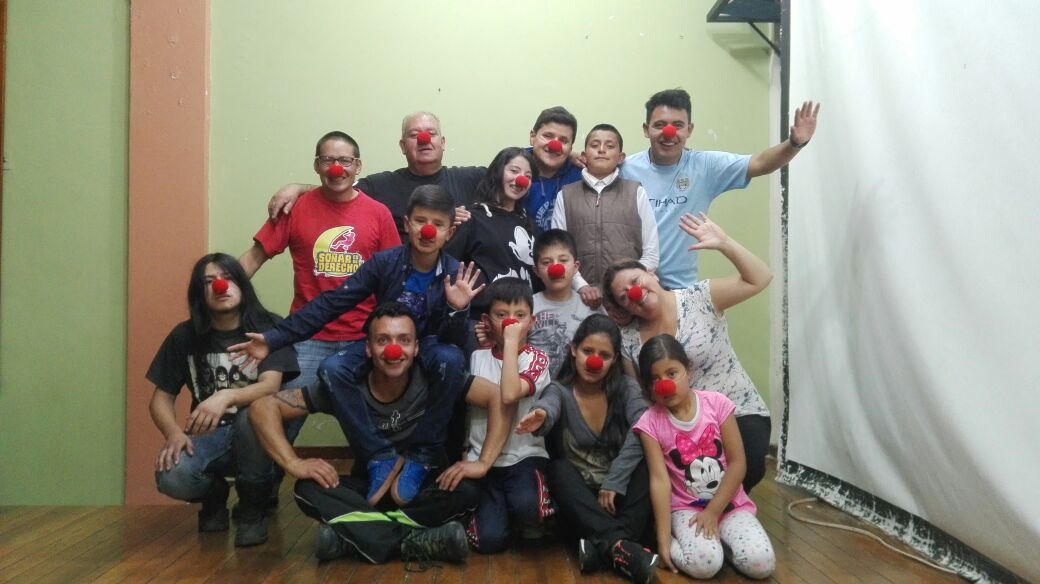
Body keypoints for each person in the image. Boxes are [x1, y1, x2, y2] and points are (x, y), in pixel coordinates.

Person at [231, 185, 484, 480]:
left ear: (449, 233)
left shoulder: (456, 274)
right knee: (332, 368)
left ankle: (423, 455)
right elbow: (331, 303)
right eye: (420, 221)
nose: (427, 230)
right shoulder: (384, 263)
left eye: (437, 224)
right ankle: (377, 455)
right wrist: (273, 339)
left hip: (425, 346)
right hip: (383, 344)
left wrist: (456, 309)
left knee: (451, 359)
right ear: (407, 224)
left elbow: (453, 341)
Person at [248, 303, 511, 565]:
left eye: (404, 340)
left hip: (423, 488)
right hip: (369, 489)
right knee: (307, 488)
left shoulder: (435, 377)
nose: (393, 350)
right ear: (367, 348)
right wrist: (293, 463)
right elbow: (262, 408)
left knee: (468, 488)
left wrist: (483, 462)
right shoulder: (345, 387)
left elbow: (497, 398)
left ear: (416, 348)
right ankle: (413, 540)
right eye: (382, 340)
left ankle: (360, 536)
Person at [238, 130, 400, 439]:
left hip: (362, 339)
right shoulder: (295, 208)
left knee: (377, 425)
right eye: (327, 160)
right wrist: (217, 296)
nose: (336, 168)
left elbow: (393, 278)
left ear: (358, 166)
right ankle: (274, 470)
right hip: (307, 338)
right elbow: (255, 257)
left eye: (345, 161)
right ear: (316, 166)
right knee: (275, 422)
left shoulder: (378, 214)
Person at [603, 213, 772, 493]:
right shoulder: (629, 339)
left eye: (635, 280)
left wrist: (725, 243)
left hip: (737, 411)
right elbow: (644, 397)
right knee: (681, 484)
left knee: (746, 467)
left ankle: (722, 512)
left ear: (651, 274)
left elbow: (761, 278)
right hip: (681, 427)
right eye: (624, 296)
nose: (634, 293)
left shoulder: (700, 297)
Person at [147, 253, 299, 547]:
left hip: (258, 435)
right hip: (209, 436)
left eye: (228, 278)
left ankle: (253, 509)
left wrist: (226, 396)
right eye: (209, 282)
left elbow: (270, 386)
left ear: (242, 284)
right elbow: (160, 399)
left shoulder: (270, 328)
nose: (220, 286)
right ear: (200, 293)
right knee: (171, 476)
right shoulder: (184, 336)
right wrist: (173, 433)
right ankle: (214, 494)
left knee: (251, 417)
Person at [621, 88, 819, 289]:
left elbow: (760, 163)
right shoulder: (625, 169)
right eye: (660, 125)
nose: (669, 133)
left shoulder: (706, 167)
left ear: (689, 130)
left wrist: (794, 143)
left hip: (681, 291)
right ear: (646, 129)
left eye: (678, 125)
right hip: (632, 286)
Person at [516, 314, 657, 584]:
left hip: (619, 494)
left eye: (604, 355)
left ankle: (604, 548)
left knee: (648, 463)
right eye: (588, 351)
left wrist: (615, 481)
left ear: (614, 360)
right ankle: (622, 545)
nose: (594, 361)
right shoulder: (560, 390)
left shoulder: (626, 388)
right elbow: (550, 404)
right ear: (573, 350)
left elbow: (643, 426)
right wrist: (541, 415)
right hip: (582, 504)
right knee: (557, 469)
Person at [634, 334, 775, 579]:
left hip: (729, 504)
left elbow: (738, 463)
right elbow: (660, 481)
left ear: (687, 370)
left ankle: (724, 545)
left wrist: (713, 511)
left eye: (672, 373)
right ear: (648, 387)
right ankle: (687, 544)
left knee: (762, 563)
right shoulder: (650, 422)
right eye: (655, 379)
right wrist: (664, 540)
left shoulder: (717, 404)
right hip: (686, 509)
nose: (665, 385)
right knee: (705, 565)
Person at [266, 112, 481, 239]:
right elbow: (339, 192)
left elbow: (504, 180)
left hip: (458, 289)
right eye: (413, 135)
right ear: (402, 146)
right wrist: (298, 188)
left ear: (442, 143)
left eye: (431, 134)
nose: (423, 139)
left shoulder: (472, 179)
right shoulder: (381, 185)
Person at [465, 277, 555, 553]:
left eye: (520, 316)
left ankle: (526, 514)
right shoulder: (477, 358)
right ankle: (500, 515)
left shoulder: (537, 359)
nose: (511, 323)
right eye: (501, 315)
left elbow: (509, 394)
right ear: (486, 320)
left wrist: (511, 342)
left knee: (529, 508)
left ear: (532, 321)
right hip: (484, 459)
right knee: (489, 541)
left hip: (524, 456)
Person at [551, 123, 660, 310]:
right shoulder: (566, 195)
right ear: (584, 156)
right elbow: (558, 251)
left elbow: (651, 253)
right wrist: (581, 286)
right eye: (595, 145)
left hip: (628, 300)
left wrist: (625, 285)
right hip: (579, 300)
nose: (601, 150)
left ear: (620, 157)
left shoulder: (636, 192)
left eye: (610, 146)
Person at [444, 147, 538, 353]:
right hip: (480, 323)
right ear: (498, 172)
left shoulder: (530, 225)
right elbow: (447, 266)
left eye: (528, 176)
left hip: (521, 326)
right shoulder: (471, 218)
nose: (521, 179)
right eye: (514, 171)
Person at [527, 229, 601, 377]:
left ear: (576, 267)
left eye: (563, 260)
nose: (556, 268)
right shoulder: (528, 307)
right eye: (546, 262)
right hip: (535, 386)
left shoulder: (590, 305)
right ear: (536, 271)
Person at [523, 106, 584, 232]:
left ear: (571, 148)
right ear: (532, 137)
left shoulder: (582, 176)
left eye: (564, 141)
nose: (554, 145)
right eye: (548, 136)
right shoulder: (512, 171)